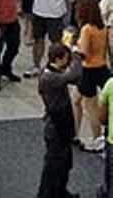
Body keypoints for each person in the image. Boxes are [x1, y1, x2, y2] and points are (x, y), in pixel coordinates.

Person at [38, 44, 82, 198]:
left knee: (64, 163)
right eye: (66, 57)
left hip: (62, 123)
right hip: (56, 127)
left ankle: (60, 192)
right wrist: (77, 55)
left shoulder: (51, 71)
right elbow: (73, 75)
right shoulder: (49, 77)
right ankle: (47, 194)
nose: (68, 60)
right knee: (53, 165)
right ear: (58, 59)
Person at [75, 0, 109, 152]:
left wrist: (73, 47)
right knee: (76, 99)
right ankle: (75, 132)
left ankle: (97, 138)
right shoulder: (102, 28)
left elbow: (84, 52)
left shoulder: (86, 29)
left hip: (88, 69)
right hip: (101, 67)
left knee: (90, 107)